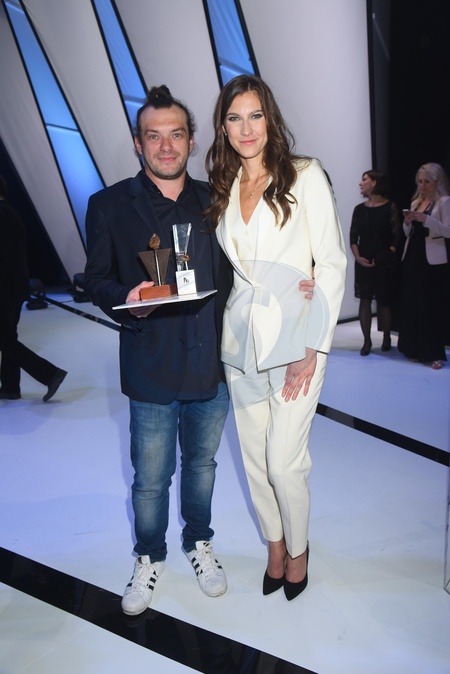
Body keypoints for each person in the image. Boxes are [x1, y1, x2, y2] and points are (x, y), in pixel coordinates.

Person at [83, 85, 236, 617]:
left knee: (202, 465)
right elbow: (94, 278)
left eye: (176, 135)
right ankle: (149, 555)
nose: (166, 146)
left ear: (192, 141)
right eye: (154, 136)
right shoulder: (107, 205)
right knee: (150, 479)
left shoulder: (219, 201)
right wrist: (125, 298)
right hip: (150, 363)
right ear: (138, 143)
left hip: (211, 365)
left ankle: (199, 542)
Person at [205, 75, 347, 600]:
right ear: (223, 127)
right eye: (234, 118)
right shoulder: (223, 188)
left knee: (285, 461)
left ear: (271, 119)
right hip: (241, 340)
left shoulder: (304, 175)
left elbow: (330, 263)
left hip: (297, 338)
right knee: (254, 458)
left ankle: (300, 549)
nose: (246, 128)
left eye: (255, 115)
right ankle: (274, 543)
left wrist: (312, 345)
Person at [0, 175, 67, 402]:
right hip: (15, 289)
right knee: (8, 337)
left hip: (4, 291)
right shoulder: (11, 213)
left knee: (6, 341)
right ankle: (10, 387)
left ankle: (50, 374)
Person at [398, 162, 450, 369]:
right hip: (413, 256)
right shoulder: (416, 202)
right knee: (413, 303)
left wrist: (426, 219)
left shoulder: (444, 201)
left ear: (437, 181)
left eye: (427, 181)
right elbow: (408, 233)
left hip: (432, 259)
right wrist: (408, 222)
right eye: (420, 181)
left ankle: (434, 353)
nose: (423, 185)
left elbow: (448, 230)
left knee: (430, 305)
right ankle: (414, 349)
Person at [349, 170, 402, 355]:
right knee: (364, 299)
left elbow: (397, 237)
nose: (360, 183)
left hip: (383, 260)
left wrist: (386, 255)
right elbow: (353, 237)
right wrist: (358, 257)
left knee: (383, 301)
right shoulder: (359, 209)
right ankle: (367, 341)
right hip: (363, 260)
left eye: (364, 179)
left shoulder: (390, 207)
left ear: (375, 183)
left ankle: (387, 337)